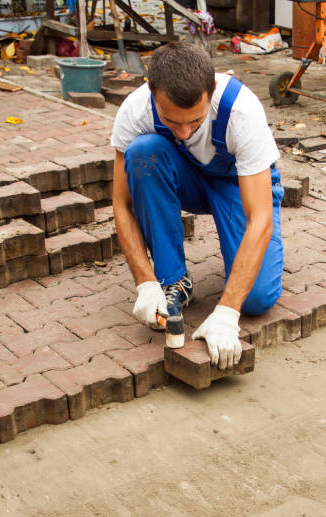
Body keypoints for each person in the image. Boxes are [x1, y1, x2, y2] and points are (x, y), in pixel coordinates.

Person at [111, 41, 284, 370]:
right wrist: (144, 282)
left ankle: (240, 288)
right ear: (152, 92)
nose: (186, 131)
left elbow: (260, 219)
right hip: (187, 178)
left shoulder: (240, 110)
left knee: (256, 298)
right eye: (173, 122)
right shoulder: (135, 110)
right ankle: (172, 280)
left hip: (238, 184)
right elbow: (122, 205)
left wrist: (228, 312)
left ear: (212, 89)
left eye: (196, 121)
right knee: (144, 151)